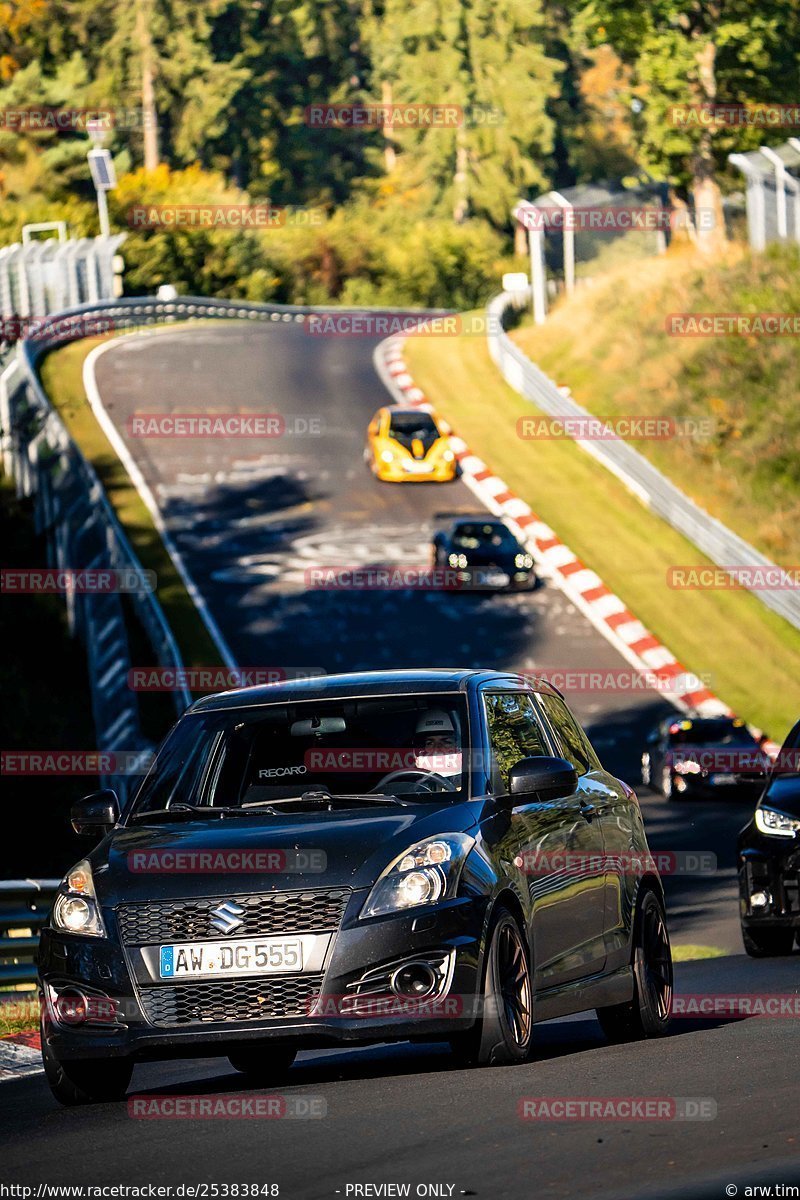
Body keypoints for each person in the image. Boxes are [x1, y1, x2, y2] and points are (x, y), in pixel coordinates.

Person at [412, 709, 462, 786]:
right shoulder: (415, 786)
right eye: (430, 743)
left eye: (446, 742)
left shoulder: (470, 784)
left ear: (458, 748)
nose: (437, 749)